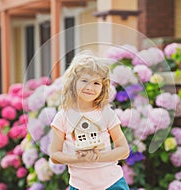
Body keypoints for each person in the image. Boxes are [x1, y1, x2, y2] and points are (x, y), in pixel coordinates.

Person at [49, 52, 130, 190]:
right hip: (80, 186)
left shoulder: (106, 113)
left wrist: (98, 157)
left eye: (96, 83)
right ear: (73, 82)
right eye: (84, 80)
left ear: (103, 88)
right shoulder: (62, 117)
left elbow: (124, 150)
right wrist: (80, 159)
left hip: (112, 183)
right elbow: (55, 155)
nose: (90, 87)